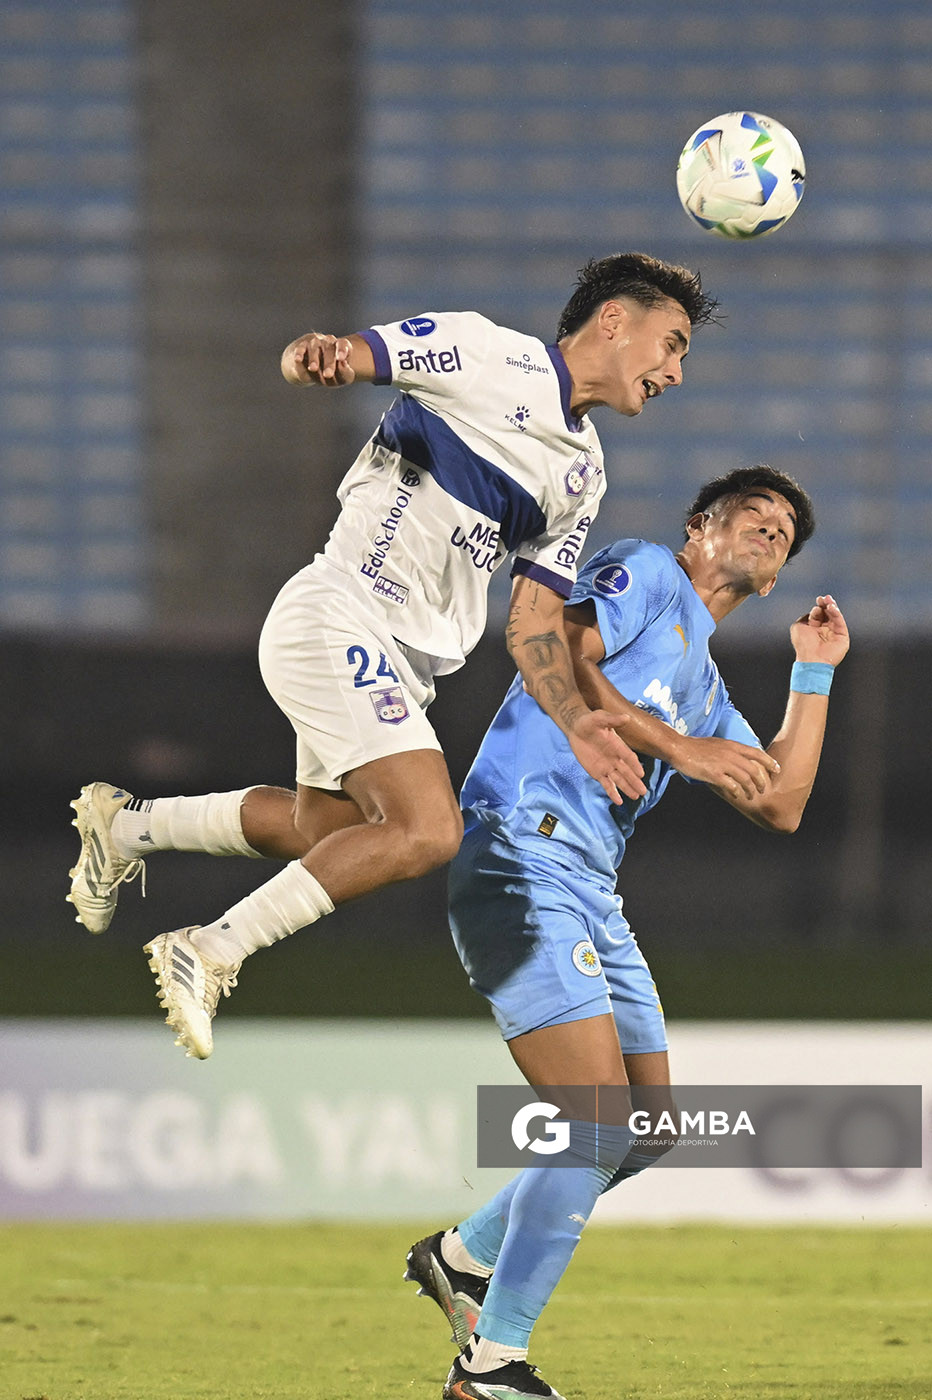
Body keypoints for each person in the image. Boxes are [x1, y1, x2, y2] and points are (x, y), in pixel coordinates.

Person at [66, 252, 719, 1059]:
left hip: (399, 666)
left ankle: (127, 827)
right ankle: (207, 950)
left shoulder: (581, 474)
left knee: (327, 830)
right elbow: (356, 354)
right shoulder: (487, 354)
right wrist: (325, 356)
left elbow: (534, 624)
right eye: (673, 343)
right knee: (428, 828)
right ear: (615, 319)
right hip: (338, 615)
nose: (676, 372)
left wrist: (578, 719)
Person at [403, 464, 849, 1400]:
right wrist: (678, 748)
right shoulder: (647, 571)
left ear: (774, 580)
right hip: (521, 849)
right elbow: (563, 647)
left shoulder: (705, 683)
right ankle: (492, 1365)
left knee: (646, 1131)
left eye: (783, 536)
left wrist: (813, 674)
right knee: (596, 1122)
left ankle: (465, 1253)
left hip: (589, 887)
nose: (770, 533)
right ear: (700, 525)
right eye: (752, 516)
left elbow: (784, 802)